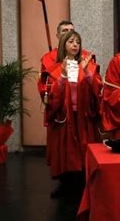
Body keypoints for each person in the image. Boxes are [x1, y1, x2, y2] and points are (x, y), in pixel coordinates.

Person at [44, 30, 102, 198]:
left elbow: (96, 89)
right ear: (63, 45)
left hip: (83, 116)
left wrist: (86, 72)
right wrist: (62, 75)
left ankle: (85, 184)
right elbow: (53, 96)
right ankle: (64, 184)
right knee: (66, 151)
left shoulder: (87, 65)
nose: (75, 45)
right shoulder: (55, 69)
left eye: (77, 42)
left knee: (82, 150)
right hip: (65, 117)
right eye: (71, 42)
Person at [37, 20, 90, 104]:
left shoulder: (85, 56)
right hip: (61, 104)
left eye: (71, 31)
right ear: (58, 36)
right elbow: (45, 86)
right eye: (65, 30)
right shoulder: (48, 58)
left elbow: (94, 84)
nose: (69, 33)